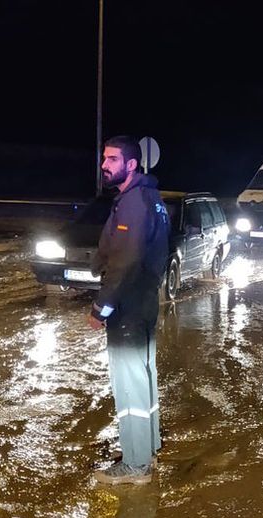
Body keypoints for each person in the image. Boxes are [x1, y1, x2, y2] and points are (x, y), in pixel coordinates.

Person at [88, 135, 170, 485]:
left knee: (129, 382)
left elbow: (126, 259)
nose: (104, 165)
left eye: (111, 159)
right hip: (145, 299)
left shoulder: (135, 202)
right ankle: (148, 448)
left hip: (128, 303)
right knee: (143, 374)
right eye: (104, 159)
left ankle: (135, 466)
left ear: (130, 165)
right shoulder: (151, 199)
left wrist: (101, 306)